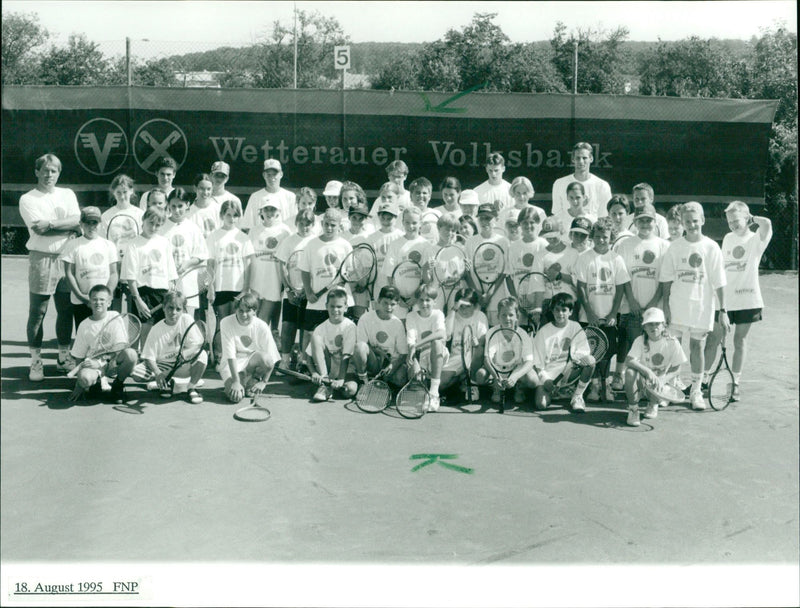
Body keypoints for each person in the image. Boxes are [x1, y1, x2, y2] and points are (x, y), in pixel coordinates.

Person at [658, 201, 729, 410]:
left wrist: (723, 311)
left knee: (696, 347)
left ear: (703, 221)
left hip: (702, 307)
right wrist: (666, 307)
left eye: (695, 221)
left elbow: (719, 282)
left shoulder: (711, 247)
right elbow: (667, 280)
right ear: (682, 222)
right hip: (677, 305)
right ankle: (669, 389)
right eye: (687, 221)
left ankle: (696, 391)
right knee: (673, 348)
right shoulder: (675, 247)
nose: (691, 225)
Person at [702, 201, 772, 401]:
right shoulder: (727, 238)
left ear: (747, 218)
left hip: (748, 299)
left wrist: (752, 220)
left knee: (739, 341)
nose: (732, 224)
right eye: (729, 221)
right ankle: (703, 381)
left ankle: (735, 384)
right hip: (724, 300)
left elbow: (766, 223)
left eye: (736, 220)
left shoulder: (757, 239)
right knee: (713, 340)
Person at [20, 153, 82, 379]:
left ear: (59, 172)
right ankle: (36, 361)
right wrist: (69, 227)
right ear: (37, 172)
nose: (49, 175)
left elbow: (78, 221)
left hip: (67, 257)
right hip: (41, 258)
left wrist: (53, 224)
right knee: (38, 312)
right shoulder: (28, 199)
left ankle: (63, 357)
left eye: (53, 170)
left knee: (65, 310)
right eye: (45, 170)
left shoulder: (68, 194)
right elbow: (39, 229)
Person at [612, 203, 670, 392]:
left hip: (655, 309)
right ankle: (626, 381)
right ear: (635, 222)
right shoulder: (625, 245)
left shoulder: (664, 246)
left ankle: (655, 385)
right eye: (641, 220)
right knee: (634, 348)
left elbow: (664, 278)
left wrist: (653, 304)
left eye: (648, 220)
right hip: (631, 308)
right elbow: (624, 277)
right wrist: (633, 302)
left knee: (654, 349)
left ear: (655, 222)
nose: (645, 223)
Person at [573, 216, 631, 402]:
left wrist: (614, 313)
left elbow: (621, 287)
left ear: (611, 237)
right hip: (588, 316)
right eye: (597, 236)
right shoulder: (584, 258)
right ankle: (594, 386)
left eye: (605, 237)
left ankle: (606, 386)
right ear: (592, 236)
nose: (601, 240)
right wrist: (589, 312)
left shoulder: (617, 259)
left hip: (608, 317)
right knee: (591, 353)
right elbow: (580, 287)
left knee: (606, 353)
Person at [68, 284, 138, 404]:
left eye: (102, 300)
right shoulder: (84, 325)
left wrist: (101, 362)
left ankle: (118, 385)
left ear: (109, 303)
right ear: (89, 302)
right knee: (85, 379)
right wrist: (78, 385)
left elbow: (121, 346)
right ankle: (96, 382)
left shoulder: (115, 316)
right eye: (94, 299)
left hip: (112, 362)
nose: (98, 302)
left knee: (131, 355)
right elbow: (79, 357)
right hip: (93, 365)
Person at [120, 206, 178, 348]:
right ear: (143, 220)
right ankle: (137, 364)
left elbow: (171, 272)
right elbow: (130, 277)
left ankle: (154, 363)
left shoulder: (164, 242)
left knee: (159, 333)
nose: (153, 227)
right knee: (142, 333)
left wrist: (171, 286)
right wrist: (138, 300)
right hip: (142, 293)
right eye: (151, 223)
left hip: (162, 293)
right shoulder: (133, 244)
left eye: (158, 225)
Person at [206, 199, 254, 365]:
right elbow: (210, 264)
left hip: (238, 287)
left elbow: (248, 265)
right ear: (221, 215)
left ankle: (234, 358)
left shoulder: (243, 238)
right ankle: (219, 357)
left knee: (237, 323)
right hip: (220, 287)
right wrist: (211, 287)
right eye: (228, 215)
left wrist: (246, 289)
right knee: (222, 322)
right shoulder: (214, 236)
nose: (232, 218)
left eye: (235, 215)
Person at [531, 292, 595, 413]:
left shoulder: (576, 327)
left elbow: (583, 352)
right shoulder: (543, 332)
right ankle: (558, 392)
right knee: (541, 405)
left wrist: (579, 359)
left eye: (564, 310)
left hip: (569, 372)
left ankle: (577, 396)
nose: (560, 314)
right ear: (552, 311)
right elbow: (538, 364)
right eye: (557, 310)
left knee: (591, 361)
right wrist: (545, 380)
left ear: (570, 312)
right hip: (549, 376)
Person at [623, 306, 687, 426]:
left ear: (663, 325)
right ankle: (633, 409)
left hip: (661, 385)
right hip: (643, 382)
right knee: (629, 373)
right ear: (644, 327)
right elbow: (629, 361)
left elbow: (677, 368)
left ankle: (653, 403)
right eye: (650, 324)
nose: (654, 327)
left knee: (657, 387)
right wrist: (648, 372)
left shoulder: (672, 342)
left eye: (657, 324)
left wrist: (663, 379)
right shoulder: (640, 340)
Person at [140, 292, 208, 404]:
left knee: (202, 355)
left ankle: (191, 387)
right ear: (163, 308)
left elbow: (198, 344)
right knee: (136, 374)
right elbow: (148, 357)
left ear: (183, 310)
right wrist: (157, 373)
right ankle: (167, 382)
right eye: (170, 308)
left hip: (184, 363)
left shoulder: (187, 319)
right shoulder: (156, 329)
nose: (173, 312)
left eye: (178, 309)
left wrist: (185, 354)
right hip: (164, 366)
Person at [474, 297, 539, 406]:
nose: (507, 318)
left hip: (515, 369)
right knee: (480, 375)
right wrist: (495, 377)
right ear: (498, 316)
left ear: (517, 317)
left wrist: (515, 376)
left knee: (533, 381)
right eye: (503, 315)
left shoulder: (523, 334)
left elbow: (529, 362)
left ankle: (519, 387)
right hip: (497, 369)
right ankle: (496, 387)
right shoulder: (491, 332)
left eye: (511, 315)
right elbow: (487, 359)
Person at [61, 206, 119, 328]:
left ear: (100, 224)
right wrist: (81, 296)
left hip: (103, 302)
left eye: (95, 223)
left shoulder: (109, 245)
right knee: (84, 335)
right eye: (88, 223)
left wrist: (107, 295)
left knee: (105, 336)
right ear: (81, 224)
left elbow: (114, 273)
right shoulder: (73, 245)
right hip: (82, 301)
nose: (92, 226)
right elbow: (69, 273)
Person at [299, 208, 354, 335]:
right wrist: (308, 292)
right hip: (316, 302)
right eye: (326, 224)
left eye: (333, 225)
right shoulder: (311, 244)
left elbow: (349, 272)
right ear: (322, 223)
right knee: (310, 335)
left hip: (340, 303)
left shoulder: (345, 245)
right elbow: (305, 271)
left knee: (340, 336)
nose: (329, 228)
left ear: (339, 226)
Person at [274, 209, 317, 370]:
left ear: (313, 224)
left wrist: (307, 290)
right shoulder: (289, 241)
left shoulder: (315, 241)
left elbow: (315, 268)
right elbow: (282, 266)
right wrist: (288, 289)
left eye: (308, 224)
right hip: (291, 293)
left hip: (309, 292)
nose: (305, 227)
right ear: (296, 223)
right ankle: (285, 360)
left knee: (306, 329)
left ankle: (302, 361)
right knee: (287, 326)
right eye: (301, 223)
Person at [219, 292, 279, 403]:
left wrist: (264, 382)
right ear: (236, 309)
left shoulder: (262, 326)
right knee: (235, 397)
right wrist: (236, 382)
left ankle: (254, 379)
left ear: (255, 312)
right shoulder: (225, 322)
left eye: (248, 311)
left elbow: (271, 358)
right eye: (241, 311)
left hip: (252, 361)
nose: (244, 315)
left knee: (265, 359)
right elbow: (230, 355)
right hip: (231, 362)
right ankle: (242, 380)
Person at [160, 188, 208, 318]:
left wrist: (187, 264)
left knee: (187, 320)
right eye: (173, 206)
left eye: (180, 206)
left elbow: (201, 255)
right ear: (168, 205)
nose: (176, 210)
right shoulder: (161, 226)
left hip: (187, 282)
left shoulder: (193, 228)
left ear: (187, 205)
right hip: (166, 282)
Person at [381, 206, 435, 320]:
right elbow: (389, 276)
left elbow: (428, 279)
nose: (411, 226)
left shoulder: (426, 245)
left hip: (419, 300)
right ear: (402, 223)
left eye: (414, 223)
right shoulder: (395, 244)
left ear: (420, 223)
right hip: (399, 301)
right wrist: (397, 298)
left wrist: (416, 297)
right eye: (407, 222)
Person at [249, 196, 292, 333]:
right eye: (266, 209)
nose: (269, 212)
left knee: (262, 319)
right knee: (254, 320)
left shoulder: (285, 231)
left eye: (272, 209)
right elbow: (248, 258)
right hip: (256, 283)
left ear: (278, 211)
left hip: (274, 283)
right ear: (261, 211)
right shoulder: (254, 231)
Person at [307, 287, 358, 402]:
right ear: (326, 306)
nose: (335, 310)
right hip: (328, 371)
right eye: (332, 306)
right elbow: (308, 357)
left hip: (346, 371)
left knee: (350, 391)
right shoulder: (320, 328)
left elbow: (346, 356)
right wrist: (314, 373)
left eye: (339, 307)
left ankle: (332, 387)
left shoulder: (350, 326)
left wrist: (341, 379)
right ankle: (325, 384)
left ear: (346, 308)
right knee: (315, 337)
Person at [529, 216, 581, 327]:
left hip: (569, 303)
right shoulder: (540, 255)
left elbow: (577, 281)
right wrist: (538, 309)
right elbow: (537, 284)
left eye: (554, 236)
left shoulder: (573, 253)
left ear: (561, 232)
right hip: (549, 304)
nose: (551, 239)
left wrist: (559, 276)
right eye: (548, 237)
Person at [353, 286, 409, 388]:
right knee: (359, 347)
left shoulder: (398, 323)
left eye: (392, 304)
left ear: (397, 305)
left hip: (389, 362)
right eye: (385, 303)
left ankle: (381, 381)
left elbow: (403, 354)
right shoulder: (365, 318)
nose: (389, 307)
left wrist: (392, 366)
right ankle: (364, 381)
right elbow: (362, 345)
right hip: (373, 360)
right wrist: (378, 351)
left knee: (400, 379)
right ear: (378, 300)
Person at [464, 203, 511, 325]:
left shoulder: (503, 242)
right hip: (476, 298)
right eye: (481, 218)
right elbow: (467, 272)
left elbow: (504, 272)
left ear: (496, 219)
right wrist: (478, 294)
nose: (485, 221)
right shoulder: (470, 242)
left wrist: (489, 294)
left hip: (497, 296)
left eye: (488, 218)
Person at [440, 288, 489, 401]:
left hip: (473, 358)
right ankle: (460, 379)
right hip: (456, 358)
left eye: (468, 306)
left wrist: (476, 342)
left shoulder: (480, 316)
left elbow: (482, 341)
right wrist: (453, 310)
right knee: (440, 385)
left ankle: (472, 384)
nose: (464, 310)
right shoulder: (452, 316)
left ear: (475, 305)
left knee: (479, 349)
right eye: (461, 306)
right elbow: (446, 334)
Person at [405, 284, 448, 410]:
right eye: (421, 300)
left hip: (438, 355)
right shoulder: (411, 316)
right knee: (415, 377)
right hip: (420, 357)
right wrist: (416, 362)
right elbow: (410, 342)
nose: (424, 303)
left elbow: (441, 334)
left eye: (428, 300)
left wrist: (417, 345)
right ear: (416, 301)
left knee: (436, 342)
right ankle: (425, 392)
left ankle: (434, 393)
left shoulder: (438, 314)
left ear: (434, 301)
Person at [506, 206, 548, 327]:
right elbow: (509, 277)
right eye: (524, 223)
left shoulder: (544, 244)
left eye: (532, 222)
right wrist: (517, 302)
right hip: (521, 306)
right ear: (519, 224)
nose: (528, 226)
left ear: (538, 223)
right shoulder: (514, 247)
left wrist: (539, 305)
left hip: (541, 304)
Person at [551, 142, 611, 220]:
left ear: (591, 158)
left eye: (584, 158)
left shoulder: (603, 186)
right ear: (573, 159)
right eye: (578, 158)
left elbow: (604, 218)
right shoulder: (559, 183)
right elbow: (556, 215)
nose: (581, 161)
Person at [365, 201, 404, 307]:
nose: (386, 221)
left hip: (397, 284)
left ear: (396, 218)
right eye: (383, 218)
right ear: (378, 217)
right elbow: (368, 265)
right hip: (377, 285)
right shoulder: (371, 238)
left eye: (389, 218)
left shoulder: (401, 237)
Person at [241, 159, 297, 231]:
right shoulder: (255, 197)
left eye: (274, 174)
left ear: (281, 174)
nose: (271, 178)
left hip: (284, 240)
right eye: (269, 174)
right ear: (264, 175)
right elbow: (247, 226)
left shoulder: (291, 197)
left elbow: (296, 226)